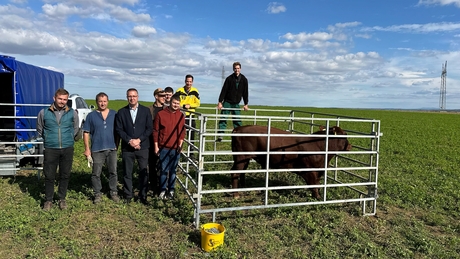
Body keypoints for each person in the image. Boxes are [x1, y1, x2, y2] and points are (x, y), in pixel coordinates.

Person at [36, 88, 79, 211]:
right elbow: (40, 129)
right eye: (60, 99)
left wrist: (69, 137)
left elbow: (75, 128)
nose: (62, 101)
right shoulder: (44, 113)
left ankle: (62, 199)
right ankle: (48, 200)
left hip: (67, 148)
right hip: (51, 148)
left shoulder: (72, 113)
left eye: (65, 99)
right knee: (49, 175)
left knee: (65, 174)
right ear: (54, 98)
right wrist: (49, 138)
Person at [115, 88, 153, 204]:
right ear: (127, 97)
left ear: (138, 97)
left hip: (143, 147)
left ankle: (143, 196)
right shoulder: (121, 112)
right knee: (127, 172)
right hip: (128, 148)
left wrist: (139, 140)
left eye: (134, 96)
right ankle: (128, 195)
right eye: (130, 96)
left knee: (143, 172)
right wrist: (130, 140)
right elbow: (119, 129)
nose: (132, 98)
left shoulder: (146, 111)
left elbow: (149, 128)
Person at [83, 92, 120, 204]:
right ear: (96, 102)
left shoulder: (114, 114)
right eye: (100, 101)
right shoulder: (91, 116)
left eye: (104, 101)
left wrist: (117, 145)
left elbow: (118, 131)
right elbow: (86, 133)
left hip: (112, 148)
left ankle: (113, 192)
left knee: (113, 172)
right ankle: (97, 194)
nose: (102, 103)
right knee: (96, 173)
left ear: (107, 102)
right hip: (97, 149)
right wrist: (87, 149)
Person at [153, 94, 185, 200]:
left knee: (173, 171)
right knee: (163, 170)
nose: (176, 105)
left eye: (177, 103)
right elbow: (156, 131)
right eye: (174, 103)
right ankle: (162, 190)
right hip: (163, 147)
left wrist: (180, 145)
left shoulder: (181, 115)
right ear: (170, 102)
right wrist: (156, 146)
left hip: (175, 148)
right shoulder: (161, 114)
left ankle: (171, 190)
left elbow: (182, 132)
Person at [217, 62, 249, 142]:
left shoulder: (244, 79)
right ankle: (221, 135)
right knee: (223, 118)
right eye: (235, 68)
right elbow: (224, 90)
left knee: (237, 120)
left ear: (240, 69)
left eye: (238, 68)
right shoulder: (229, 79)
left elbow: (245, 92)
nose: (236, 70)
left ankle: (239, 136)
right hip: (227, 101)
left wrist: (246, 104)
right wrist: (220, 101)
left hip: (236, 103)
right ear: (233, 69)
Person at [148, 88, 167, 195]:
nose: (164, 97)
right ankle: (153, 185)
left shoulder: (167, 109)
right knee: (151, 164)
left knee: (162, 165)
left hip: (163, 142)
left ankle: (162, 186)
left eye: (165, 95)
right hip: (151, 141)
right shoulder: (149, 109)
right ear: (156, 96)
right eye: (162, 96)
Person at [176, 75, 200, 148]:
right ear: (185, 81)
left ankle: (191, 153)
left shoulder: (195, 91)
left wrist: (190, 105)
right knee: (179, 133)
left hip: (191, 116)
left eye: (190, 82)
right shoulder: (179, 90)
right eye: (187, 81)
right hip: (180, 115)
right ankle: (178, 151)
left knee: (191, 134)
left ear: (192, 82)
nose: (188, 83)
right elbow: (175, 102)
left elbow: (198, 103)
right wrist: (183, 106)